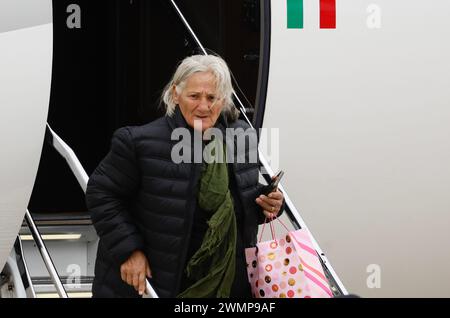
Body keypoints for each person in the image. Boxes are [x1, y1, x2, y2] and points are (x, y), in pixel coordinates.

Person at [85, 54, 284, 298]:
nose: (203, 106)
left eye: (212, 97)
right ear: (175, 94)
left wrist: (268, 201)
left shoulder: (240, 137)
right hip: (163, 282)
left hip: (228, 283)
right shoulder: (139, 141)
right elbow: (101, 193)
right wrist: (129, 251)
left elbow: (237, 204)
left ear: (223, 100)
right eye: (194, 96)